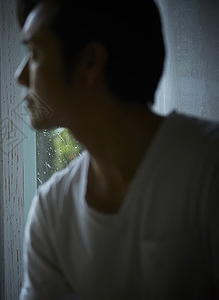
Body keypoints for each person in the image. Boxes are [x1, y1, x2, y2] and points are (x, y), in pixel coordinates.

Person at [14, 0, 219, 299]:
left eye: (33, 53)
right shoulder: (52, 212)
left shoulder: (209, 167)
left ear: (90, 62)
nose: (20, 76)